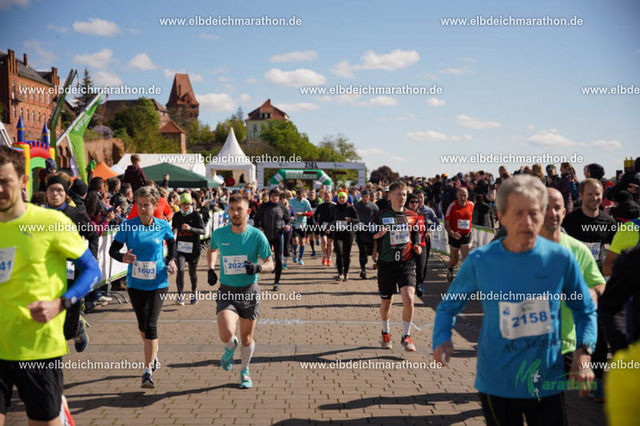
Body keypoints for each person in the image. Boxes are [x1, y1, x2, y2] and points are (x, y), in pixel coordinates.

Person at [433, 175, 597, 425]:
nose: (527, 221)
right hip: (496, 380)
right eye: (518, 213)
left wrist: (584, 352)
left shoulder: (561, 258)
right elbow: (448, 307)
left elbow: (585, 309)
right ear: (501, 215)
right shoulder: (481, 261)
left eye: (534, 213)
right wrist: (441, 338)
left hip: (545, 379)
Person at [0, 146, 101, 425]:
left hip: (38, 348)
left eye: (4, 181)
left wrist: (61, 303)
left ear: (23, 181)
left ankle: (60, 411)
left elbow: (92, 270)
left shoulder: (51, 222)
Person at [540, 188, 608, 400]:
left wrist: (590, 293)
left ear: (563, 213)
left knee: (550, 405)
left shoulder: (577, 249)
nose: (551, 213)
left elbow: (599, 284)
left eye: (557, 208)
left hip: (564, 343)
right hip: (523, 343)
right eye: (545, 208)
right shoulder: (515, 248)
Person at [109, 186, 177, 389]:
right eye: (139, 204)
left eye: (146, 205)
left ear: (155, 206)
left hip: (158, 282)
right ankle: (153, 351)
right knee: (142, 325)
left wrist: (172, 260)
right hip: (136, 283)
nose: (142, 208)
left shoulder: (162, 225)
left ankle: (147, 371)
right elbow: (113, 249)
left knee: (151, 325)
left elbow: (172, 244)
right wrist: (123, 257)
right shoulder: (128, 225)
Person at [206, 194, 274, 389]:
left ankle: (244, 370)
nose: (235, 213)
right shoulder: (220, 234)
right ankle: (229, 347)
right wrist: (211, 269)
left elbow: (270, 263)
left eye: (239, 209)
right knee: (226, 333)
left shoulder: (257, 235)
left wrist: (258, 268)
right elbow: (211, 250)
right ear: (228, 211)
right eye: (232, 209)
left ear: (248, 212)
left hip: (249, 291)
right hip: (227, 291)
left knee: (246, 338)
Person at [45, 172, 100, 353]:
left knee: (70, 311)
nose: (55, 194)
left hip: (71, 268)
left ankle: (76, 327)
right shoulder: (39, 215)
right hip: (47, 271)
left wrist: (91, 259)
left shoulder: (76, 214)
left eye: (59, 190)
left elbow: (92, 235)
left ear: (66, 193)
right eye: (51, 190)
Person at [372, 181, 422, 352]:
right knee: (387, 302)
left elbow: (416, 234)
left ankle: (406, 336)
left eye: (405, 194)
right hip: (387, 263)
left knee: (409, 299)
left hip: (406, 262)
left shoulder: (413, 215)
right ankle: (385, 332)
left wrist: (417, 245)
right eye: (399, 194)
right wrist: (376, 235)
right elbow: (368, 232)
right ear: (390, 195)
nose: (402, 198)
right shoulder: (381, 215)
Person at [171, 192, 206, 305]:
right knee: (180, 269)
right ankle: (180, 296)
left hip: (194, 249)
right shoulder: (177, 216)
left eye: (188, 204)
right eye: (184, 204)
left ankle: (194, 291)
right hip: (181, 248)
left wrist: (190, 228)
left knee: (192, 273)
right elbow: (174, 228)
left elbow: (203, 231)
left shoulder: (196, 215)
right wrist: (172, 232)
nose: (186, 206)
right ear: (180, 205)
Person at [255, 188, 291, 291]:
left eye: (277, 196)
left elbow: (287, 220)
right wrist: (259, 227)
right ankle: (254, 281)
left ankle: (276, 282)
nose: (275, 198)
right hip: (265, 236)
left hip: (277, 236)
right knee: (263, 258)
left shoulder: (282, 207)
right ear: (270, 196)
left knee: (278, 259)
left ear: (279, 197)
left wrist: (287, 225)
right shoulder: (264, 206)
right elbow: (256, 218)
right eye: (273, 196)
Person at [444, 187, 474, 283]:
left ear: (468, 196)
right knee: (454, 260)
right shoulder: (452, 206)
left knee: (467, 259)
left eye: (465, 195)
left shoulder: (471, 205)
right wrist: (452, 233)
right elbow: (446, 223)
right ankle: (450, 269)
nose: (462, 198)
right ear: (457, 195)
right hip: (454, 235)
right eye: (460, 195)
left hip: (466, 235)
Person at [331, 191, 359, 281]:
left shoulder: (351, 207)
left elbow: (357, 219)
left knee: (346, 254)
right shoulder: (335, 208)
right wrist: (328, 227)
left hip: (348, 233)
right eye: (340, 198)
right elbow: (331, 219)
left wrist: (350, 219)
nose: (342, 199)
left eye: (343, 198)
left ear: (346, 198)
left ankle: (346, 273)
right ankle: (340, 273)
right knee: (339, 253)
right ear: (337, 199)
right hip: (338, 233)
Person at [354, 190, 379, 279]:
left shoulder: (374, 206)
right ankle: (363, 269)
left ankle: (369, 259)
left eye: (367, 196)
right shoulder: (357, 206)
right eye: (364, 196)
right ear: (361, 197)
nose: (365, 198)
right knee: (362, 251)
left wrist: (376, 227)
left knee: (369, 251)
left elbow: (378, 218)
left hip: (370, 232)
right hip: (360, 232)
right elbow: (353, 217)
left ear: (369, 197)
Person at [289, 190, 312, 265]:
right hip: (293, 223)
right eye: (299, 195)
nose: (300, 197)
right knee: (295, 240)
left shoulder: (306, 202)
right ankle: (294, 255)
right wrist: (291, 216)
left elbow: (310, 213)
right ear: (296, 195)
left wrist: (302, 213)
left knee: (302, 241)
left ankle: (301, 258)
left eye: (302, 195)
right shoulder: (291, 201)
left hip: (302, 224)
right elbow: (287, 210)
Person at [314, 191, 335, 267]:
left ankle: (329, 258)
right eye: (325, 197)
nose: (327, 198)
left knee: (330, 243)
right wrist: (316, 221)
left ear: (331, 197)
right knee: (324, 242)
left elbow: (335, 218)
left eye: (328, 197)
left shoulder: (334, 206)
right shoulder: (320, 205)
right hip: (322, 225)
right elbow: (315, 215)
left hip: (331, 225)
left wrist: (329, 227)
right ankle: (324, 256)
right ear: (323, 197)